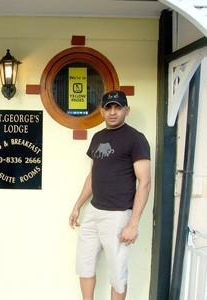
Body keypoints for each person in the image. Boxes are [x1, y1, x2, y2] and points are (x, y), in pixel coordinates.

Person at [69, 90, 151, 300]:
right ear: (102, 111)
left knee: (117, 274)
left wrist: (133, 223)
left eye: (118, 107)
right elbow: (93, 175)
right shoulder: (98, 137)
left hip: (118, 215)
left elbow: (145, 182)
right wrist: (78, 205)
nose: (113, 112)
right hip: (94, 211)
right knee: (84, 266)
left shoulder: (135, 139)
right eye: (109, 108)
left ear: (126, 110)